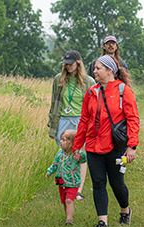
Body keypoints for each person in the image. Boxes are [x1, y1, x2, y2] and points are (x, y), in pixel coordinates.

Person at [72, 55, 140, 227]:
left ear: (110, 71)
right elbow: (84, 120)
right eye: (94, 68)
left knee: (117, 184)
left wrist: (131, 146)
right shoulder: (91, 92)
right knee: (98, 183)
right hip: (94, 147)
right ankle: (102, 222)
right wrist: (77, 146)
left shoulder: (123, 91)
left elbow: (133, 119)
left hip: (116, 147)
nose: (94, 71)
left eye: (98, 68)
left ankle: (125, 210)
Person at [48, 49, 95, 201]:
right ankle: (67, 186)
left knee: (80, 154)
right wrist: (52, 126)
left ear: (78, 63)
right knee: (65, 153)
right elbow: (54, 102)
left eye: (71, 64)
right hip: (63, 119)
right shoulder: (58, 79)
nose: (68, 67)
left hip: (81, 120)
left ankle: (78, 190)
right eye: (66, 64)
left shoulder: (89, 81)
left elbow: (93, 107)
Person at [45, 129, 87, 225]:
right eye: (61, 139)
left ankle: (69, 219)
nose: (61, 142)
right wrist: (49, 172)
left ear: (71, 143)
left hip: (73, 183)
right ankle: (67, 215)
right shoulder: (59, 153)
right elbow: (55, 164)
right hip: (62, 182)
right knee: (64, 201)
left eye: (63, 140)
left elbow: (84, 158)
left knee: (69, 200)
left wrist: (79, 155)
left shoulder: (75, 154)